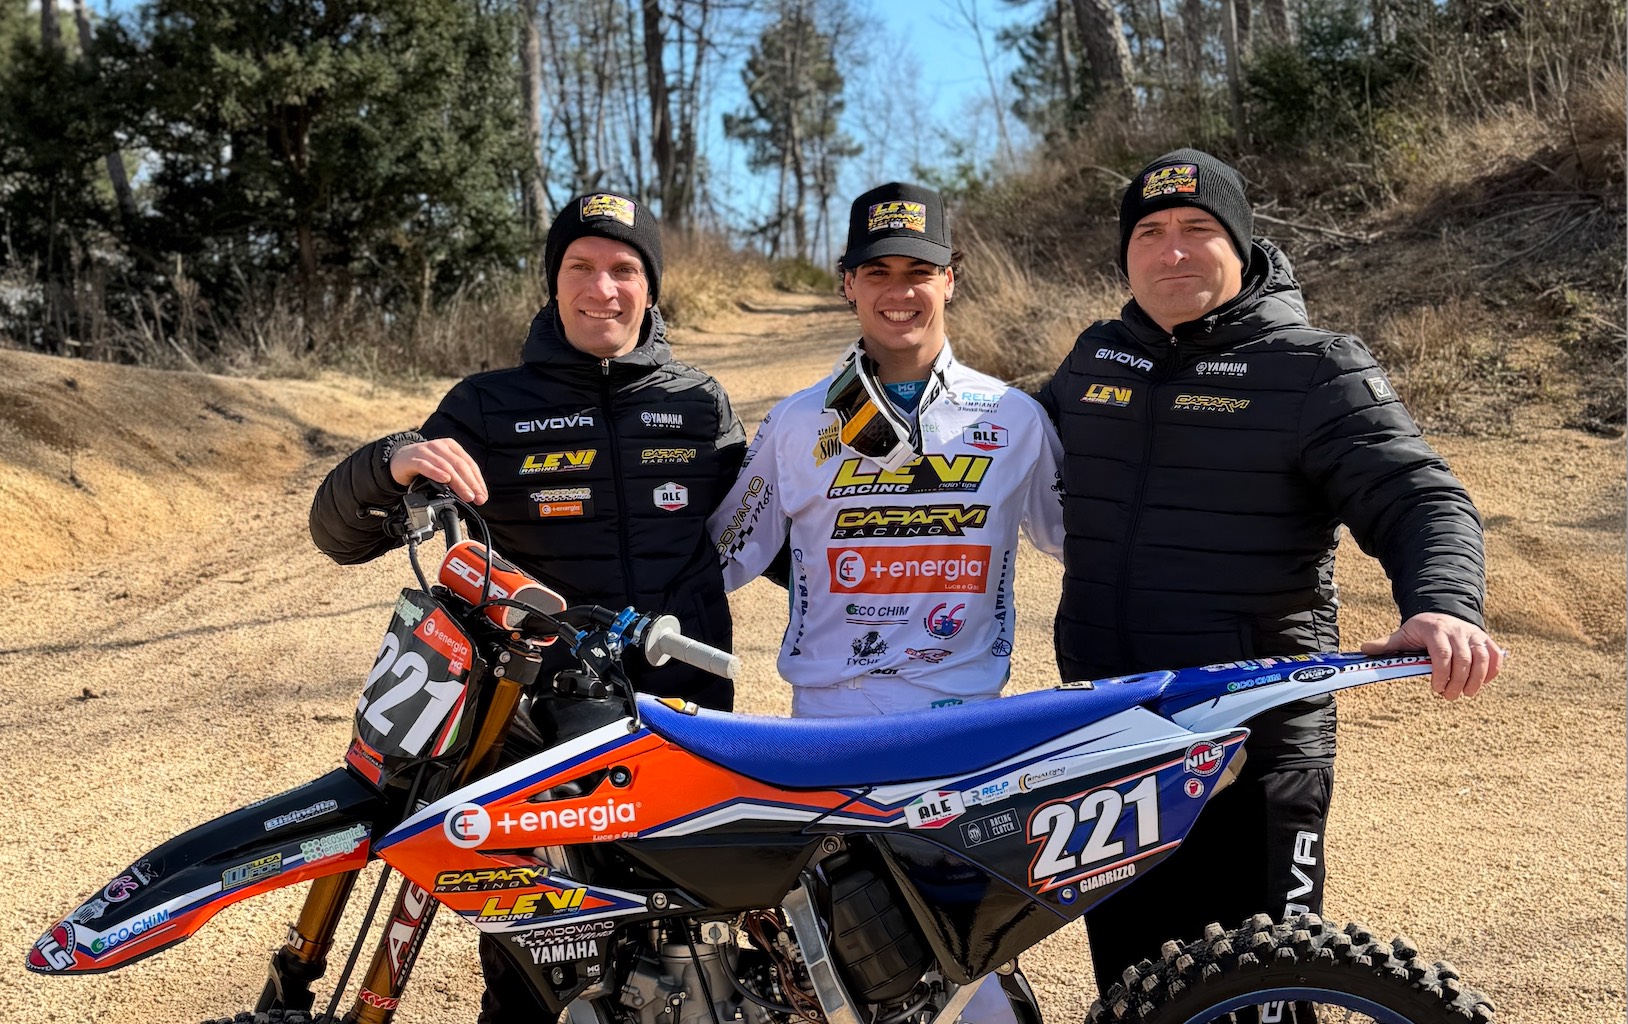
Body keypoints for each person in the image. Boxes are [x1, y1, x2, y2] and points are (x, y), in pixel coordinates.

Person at [1037, 149, 1504, 1003]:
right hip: (1113, 734)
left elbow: (1420, 496)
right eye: (1150, 233)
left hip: (1255, 738)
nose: (1173, 251)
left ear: (1243, 245)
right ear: (1126, 256)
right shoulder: (1094, 360)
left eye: (1198, 229)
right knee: (1137, 992)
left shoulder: (1313, 367)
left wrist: (1442, 603)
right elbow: (988, 451)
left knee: (1264, 991)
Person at [309, 190, 746, 1023]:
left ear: (651, 286)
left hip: (682, 726)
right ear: (553, 283)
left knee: (686, 963)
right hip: (533, 742)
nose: (601, 289)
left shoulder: (700, 402)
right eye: (580, 266)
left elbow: (774, 537)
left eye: (624, 269)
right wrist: (394, 461)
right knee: (538, 983)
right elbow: (339, 535)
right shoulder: (488, 406)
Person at [709, 180, 1064, 718]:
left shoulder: (1014, 417)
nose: (900, 293)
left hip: (967, 712)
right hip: (830, 713)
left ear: (949, 281)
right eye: (878, 273)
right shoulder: (796, 421)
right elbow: (723, 555)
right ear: (849, 284)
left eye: (919, 272)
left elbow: (1082, 544)